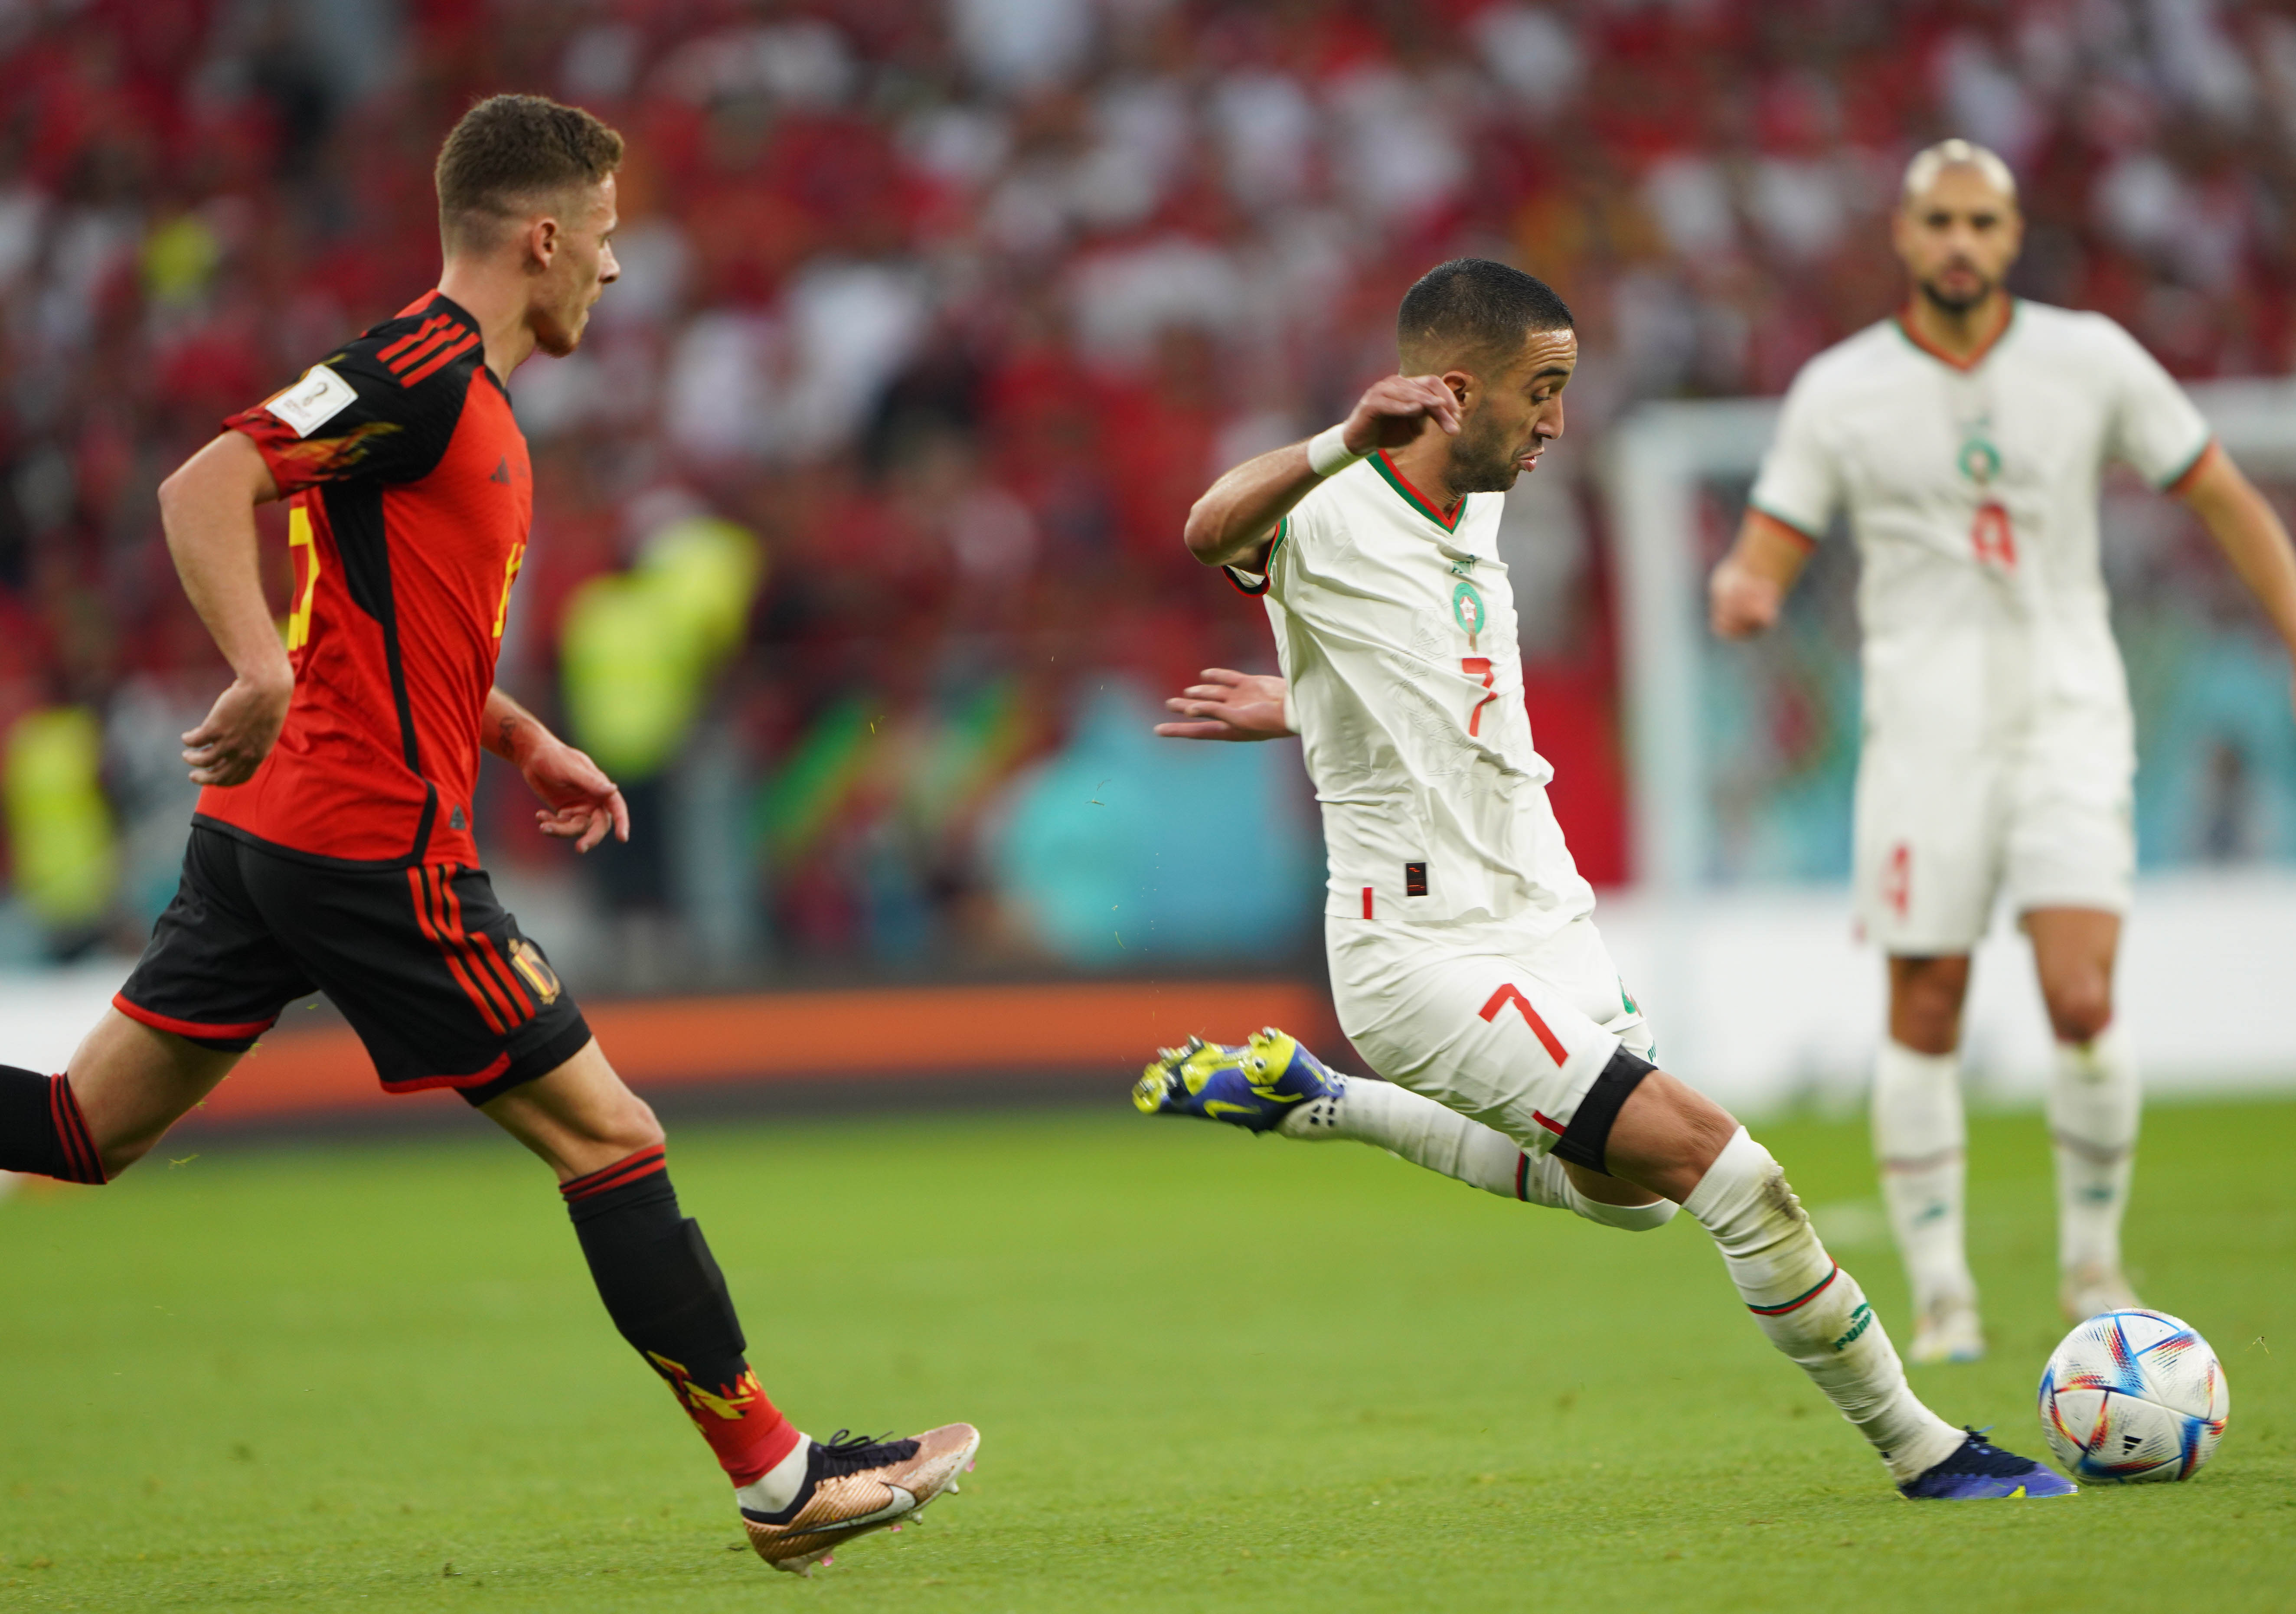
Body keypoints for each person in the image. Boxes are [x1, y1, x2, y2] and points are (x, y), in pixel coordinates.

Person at [0, 94, 974, 1576]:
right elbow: (204, 487)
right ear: (541, 235)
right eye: (605, 236)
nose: (615, 268)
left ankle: (781, 1477)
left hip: (271, 835)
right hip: (370, 845)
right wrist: (257, 666)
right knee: (612, 1135)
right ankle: (782, 1480)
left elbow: (394, 617)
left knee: (82, 1133)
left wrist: (518, 735)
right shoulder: (418, 367)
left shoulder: (448, 393)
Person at [1137, 257, 2070, 1500]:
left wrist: (1307, 699)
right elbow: (1209, 531)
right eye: (1545, 391)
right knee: (1728, 1171)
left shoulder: (1478, 498)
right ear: (1454, 394)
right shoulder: (1329, 508)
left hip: (1546, 914)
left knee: (1629, 1200)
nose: (1560, 423)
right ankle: (1929, 1450)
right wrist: (1339, 439)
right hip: (1421, 952)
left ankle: (1322, 1100)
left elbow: (1429, 674)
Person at [1707, 141, 2296, 1361]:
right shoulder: (1839, 391)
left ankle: (2094, 1261)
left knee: (2081, 994)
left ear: (2012, 239)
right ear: (1904, 238)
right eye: (1940, 222)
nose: (1961, 242)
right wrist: (1745, 587)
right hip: (1922, 733)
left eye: (1983, 222)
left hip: (2069, 712)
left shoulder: (2093, 357)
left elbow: (2222, 492)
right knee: (1929, 999)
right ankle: (1946, 1292)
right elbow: (1769, 545)